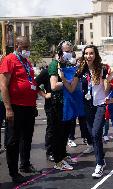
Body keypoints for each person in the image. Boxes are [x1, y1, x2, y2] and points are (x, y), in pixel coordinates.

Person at [59, 44, 113, 178]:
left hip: (100, 104)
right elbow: (72, 88)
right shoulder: (80, 70)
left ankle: (99, 164)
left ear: (95, 55)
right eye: (86, 53)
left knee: (95, 133)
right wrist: (63, 79)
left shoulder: (102, 69)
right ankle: (101, 159)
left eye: (91, 53)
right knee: (93, 135)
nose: (88, 56)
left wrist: (109, 80)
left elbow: (107, 90)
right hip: (87, 105)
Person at [0, 36, 39, 183]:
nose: (27, 50)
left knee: (27, 138)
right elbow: (3, 85)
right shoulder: (9, 59)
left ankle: (25, 164)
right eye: (25, 47)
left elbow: (31, 82)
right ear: (17, 45)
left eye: (28, 47)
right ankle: (13, 172)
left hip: (28, 107)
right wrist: (8, 108)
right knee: (13, 141)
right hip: (15, 106)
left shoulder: (26, 61)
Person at [48, 41, 77, 171]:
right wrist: (68, 82)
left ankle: (63, 155)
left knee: (65, 131)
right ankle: (58, 160)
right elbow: (54, 86)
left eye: (70, 51)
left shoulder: (68, 64)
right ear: (60, 52)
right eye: (66, 51)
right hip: (58, 103)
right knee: (58, 132)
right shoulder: (55, 65)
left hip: (67, 103)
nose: (68, 53)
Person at [35, 67, 54, 162]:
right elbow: (34, 84)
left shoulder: (66, 70)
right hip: (51, 105)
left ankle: (61, 151)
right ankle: (50, 152)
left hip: (65, 104)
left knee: (63, 129)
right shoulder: (47, 71)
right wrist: (44, 95)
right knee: (52, 128)